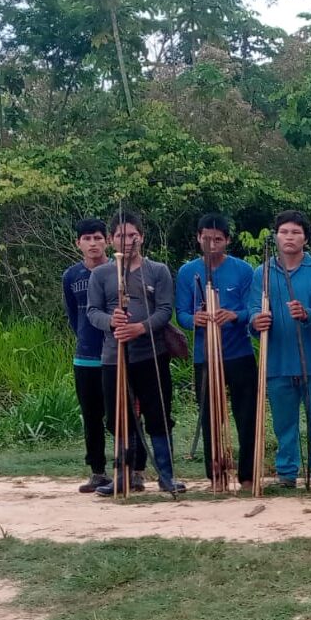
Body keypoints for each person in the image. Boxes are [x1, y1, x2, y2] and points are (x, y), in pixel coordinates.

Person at [87, 211, 184, 495]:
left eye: (132, 235)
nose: (127, 241)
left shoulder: (158, 270)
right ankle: (122, 476)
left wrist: (140, 328)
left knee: (159, 415)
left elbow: (165, 310)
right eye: (119, 236)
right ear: (111, 240)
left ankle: (166, 477)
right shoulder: (101, 274)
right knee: (118, 417)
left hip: (151, 355)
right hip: (113, 357)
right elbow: (93, 311)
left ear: (141, 237)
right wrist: (111, 322)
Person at [249, 210, 311, 488]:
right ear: (276, 236)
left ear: (305, 238)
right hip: (277, 360)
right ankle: (287, 472)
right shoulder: (262, 272)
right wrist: (256, 320)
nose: (289, 237)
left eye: (296, 232)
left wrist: (308, 314)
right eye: (284, 232)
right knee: (284, 424)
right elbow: (252, 310)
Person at [62, 218, 147, 493]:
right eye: (87, 239)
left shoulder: (121, 272)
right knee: (92, 415)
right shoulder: (71, 276)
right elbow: (75, 316)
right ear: (78, 244)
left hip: (119, 353)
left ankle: (134, 469)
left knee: (125, 414)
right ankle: (97, 471)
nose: (93, 243)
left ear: (107, 241)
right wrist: (87, 337)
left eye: (98, 238)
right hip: (86, 355)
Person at [175, 213, 257, 488]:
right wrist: (194, 320)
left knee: (247, 416)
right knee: (210, 416)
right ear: (198, 238)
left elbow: (251, 310)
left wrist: (234, 315)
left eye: (218, 239)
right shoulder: (188, 272)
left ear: (227, 240)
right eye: (206, 239)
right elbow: (182, 315)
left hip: (239, 354)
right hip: (205, 356)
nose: (212, 244)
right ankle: (216, 476)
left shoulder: (243, 270)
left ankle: (247, 476)